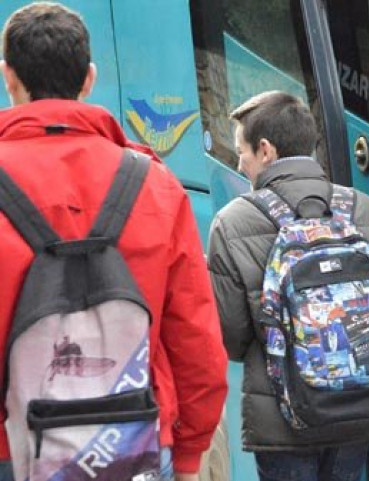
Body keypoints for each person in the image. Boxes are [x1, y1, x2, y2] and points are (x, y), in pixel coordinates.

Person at [0, 3, 228, 481]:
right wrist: (190, 453)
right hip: (135, 443)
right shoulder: (155, 184)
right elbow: (195, 337)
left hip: (13, 450)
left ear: (8, 77)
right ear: (89, 79)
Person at [207, 90, 369, 481]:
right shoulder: (367, 211)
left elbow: (232, 336)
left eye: (243, 152)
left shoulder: (233, 222)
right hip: (359, 405)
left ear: (266, 150)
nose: (240, 163)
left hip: (283, 415)